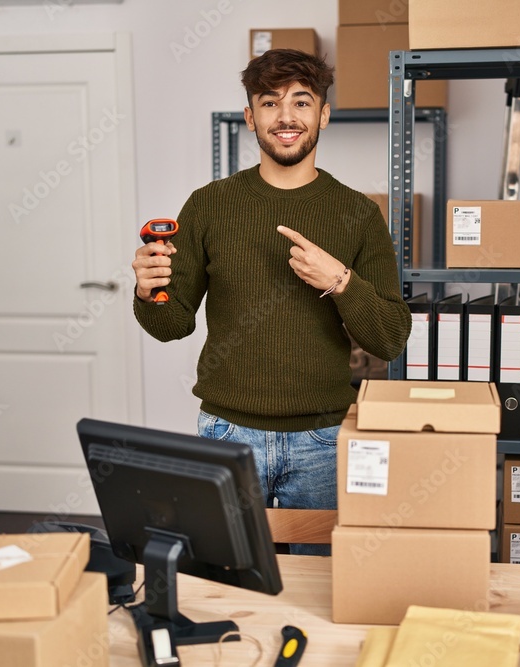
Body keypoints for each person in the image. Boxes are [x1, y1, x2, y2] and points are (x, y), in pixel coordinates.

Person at [131, 49, 411, 552]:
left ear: (323, 114)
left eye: (302, 103)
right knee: (227, 581)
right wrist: (147, 291)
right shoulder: (209, 205)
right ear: (250, 117)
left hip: (323, 440)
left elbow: (389, 337)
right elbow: (172, 323)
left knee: (323, 585)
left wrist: (340, 281)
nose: (286, 117)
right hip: (227, 434)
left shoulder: (358, 213)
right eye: (269, 103)